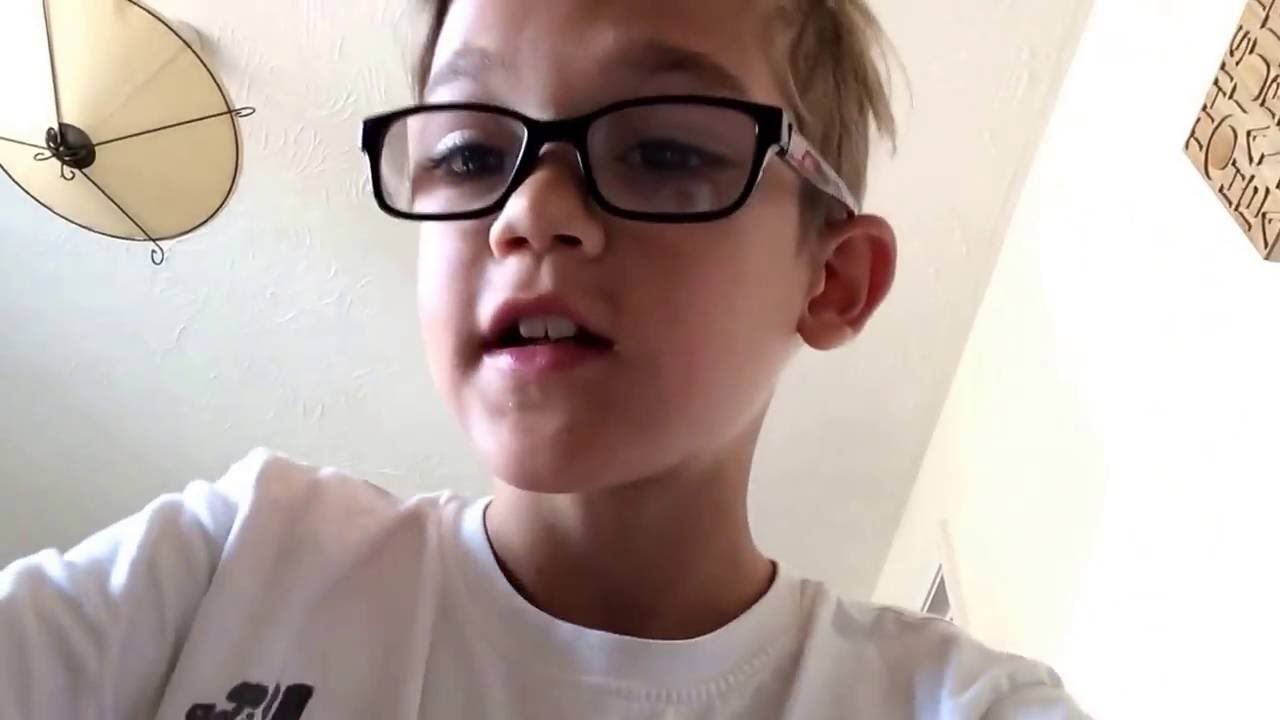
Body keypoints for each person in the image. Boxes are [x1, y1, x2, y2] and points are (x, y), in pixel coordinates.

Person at [0, 0, 1091, 717]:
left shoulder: (951, 703)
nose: (529, 212)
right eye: (468, 152)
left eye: (662, 148)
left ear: (833, 279)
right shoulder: (230, 562)